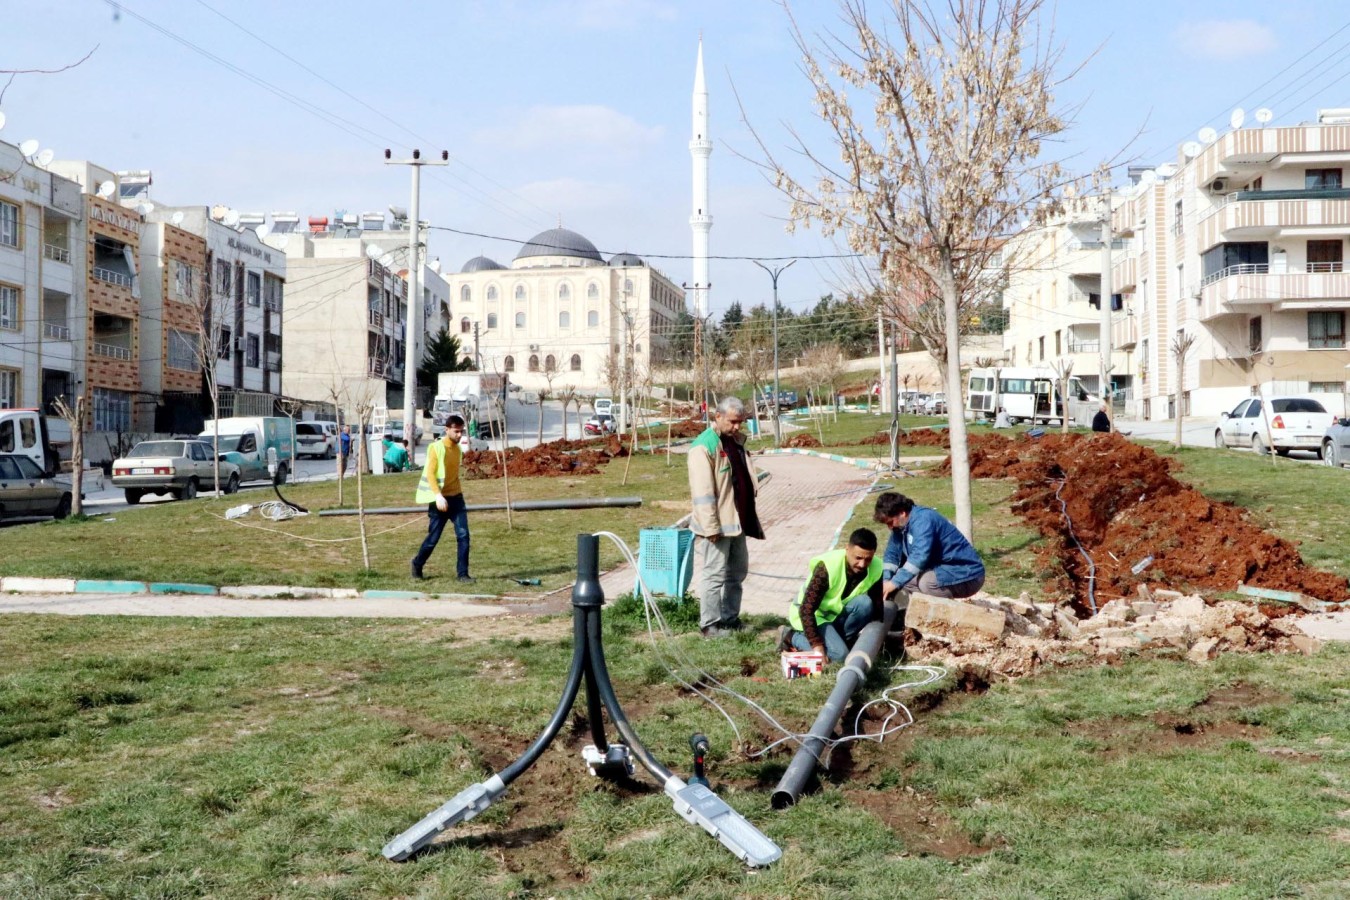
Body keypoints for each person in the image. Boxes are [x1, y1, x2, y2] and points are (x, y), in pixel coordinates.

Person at [688, 396, 764, 638]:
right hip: (718, 527)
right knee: (714, 575)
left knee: (737, 574)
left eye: (740, 422)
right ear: (717, 417)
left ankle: (730, 619)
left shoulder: (734, 441)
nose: (737, 427)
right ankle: (709, 625)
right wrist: (711, 527)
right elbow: (703, 493)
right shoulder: (704, 446)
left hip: (737, 523)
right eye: (732, 421)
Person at [779, 528, 886, 663]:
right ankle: (791, 636)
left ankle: (836, 643)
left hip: (834, 615)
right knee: (840, 656)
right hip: (813, 616)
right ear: (847, 549)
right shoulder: (827, 567)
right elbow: (806, 610)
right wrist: (817, 646)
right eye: (858, 558)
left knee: (864, 603)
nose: (862, 564)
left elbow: (876, 604)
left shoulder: (877, 567)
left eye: (868, 559)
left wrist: (878, 635)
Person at [873, 492, 984, 603]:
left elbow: (919, 556)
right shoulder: (900, 526)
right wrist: (886, 581)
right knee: (903, 580)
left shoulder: (923, 520)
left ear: (902, 513)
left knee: (927, 582)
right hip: (942, 570)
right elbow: (891, 555)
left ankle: (944, 615)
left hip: (967, 574)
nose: (890, 527)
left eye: (891, 522)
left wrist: (893, 583)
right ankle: (926, 610)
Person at [411, 415, 472, 582]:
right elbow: (430, 473)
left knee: (463, 535)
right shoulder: (436, 447)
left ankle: (463, 574)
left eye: (461, 431)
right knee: (433, 538)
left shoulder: (458, 450)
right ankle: (417, 563)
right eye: (456, 431)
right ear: (447, 430)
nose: (460, 435)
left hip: (456, 499)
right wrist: (437, 495)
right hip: (439, 501)